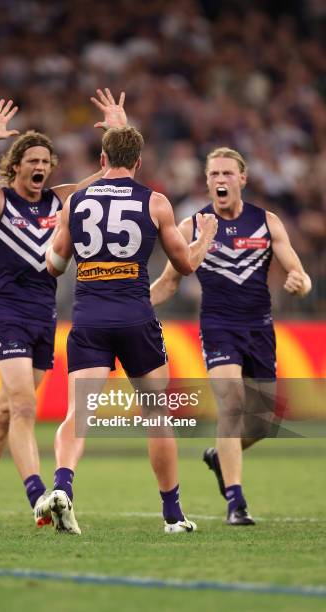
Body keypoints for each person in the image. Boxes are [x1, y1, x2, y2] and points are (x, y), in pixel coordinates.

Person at [0, 89, 127, 529]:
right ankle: (40, 500)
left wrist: (120, 128)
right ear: (16, 166)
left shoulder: (61, 201)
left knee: (7, 412)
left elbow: (109, 178)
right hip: (7, 314)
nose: (41, 167)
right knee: (24, 407)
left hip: (45, 317)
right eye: (33, 161)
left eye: (46, 162)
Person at [36, 125, 218, 534]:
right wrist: (204, 238)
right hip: (136, 318)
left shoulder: (77, 201)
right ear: (138, 162)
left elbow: (55, 266)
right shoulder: (155, 202)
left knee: (78, 414)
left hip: (88, 319)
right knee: (158, 416)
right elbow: (185, 265)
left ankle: (62, 486)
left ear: (102, 161)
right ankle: (172, 516)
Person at [150, 147, 312, 525]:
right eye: (213, 175)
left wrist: (299, 283)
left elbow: (299, 274)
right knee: (232, 406)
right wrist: (134, 305)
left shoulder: (266, 222)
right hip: (219, 328)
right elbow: (170, 282)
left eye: (227, 173)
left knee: (262, 423)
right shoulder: (193, 226)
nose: (220, 180)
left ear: (243, 179)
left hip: (260, 329)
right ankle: (236, 503)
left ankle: (219, 456)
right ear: (207, 181)